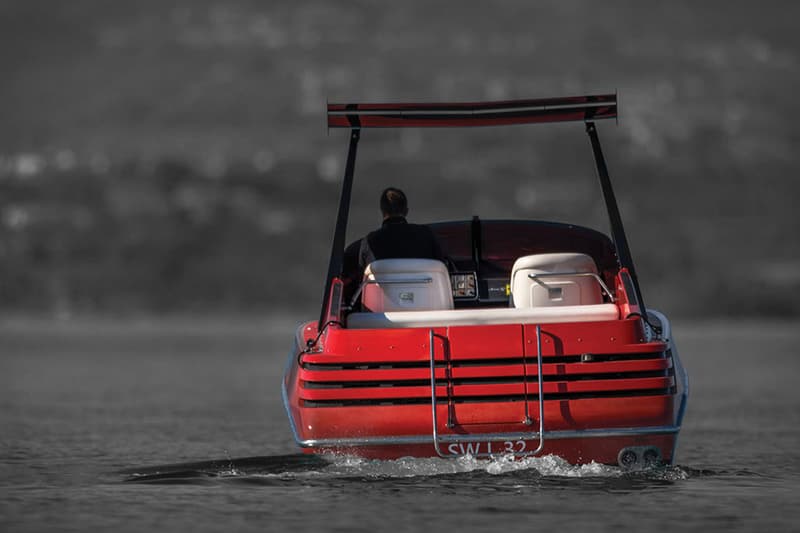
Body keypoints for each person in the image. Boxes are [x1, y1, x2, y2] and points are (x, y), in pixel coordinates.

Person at [342, 187, 444, 305]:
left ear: (383, 212)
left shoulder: (370, 241)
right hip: (427, 307)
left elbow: (361, 280)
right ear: (406, 211)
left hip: (378, 314)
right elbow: (441, 266)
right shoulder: (426, 235)